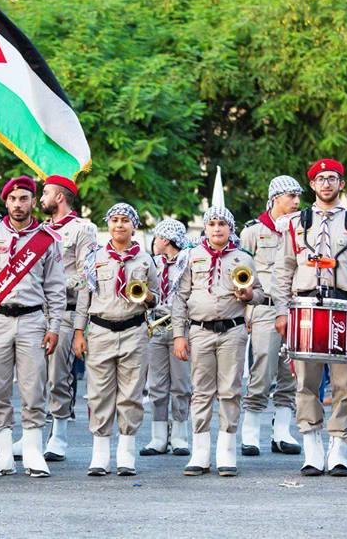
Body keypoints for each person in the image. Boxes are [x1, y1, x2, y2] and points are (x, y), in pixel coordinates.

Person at [273, 159, 347, 477]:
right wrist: (281, 312)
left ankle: (338, 448)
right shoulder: (295, 223)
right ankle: (312, 448)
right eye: (320, 179)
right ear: (312, 186)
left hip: (344, 307)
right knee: (305, 381)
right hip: (305, 308)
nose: (326, 184)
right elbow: (283, 271)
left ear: (342, 184)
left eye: (332, 178)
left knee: (344, 384)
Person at [0, 176, 66, 478]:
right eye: (12, 199)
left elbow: (55, 288)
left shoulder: (46, 239)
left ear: (33, 201)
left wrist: (55, 327)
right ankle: (2, 454)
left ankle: (34, 451)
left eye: (24, 198)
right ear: (5, 202)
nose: (18, 204)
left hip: (32, 320)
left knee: (33, 387)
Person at [173, 207, 264, 477]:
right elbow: (179, 297)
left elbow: (259, 293)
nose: (216, 229)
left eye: (222, 223)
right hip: (200, 330)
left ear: (230, 228)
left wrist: (248, 295)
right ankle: (200, 452)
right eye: (212, 223)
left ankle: (226, 449)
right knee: (201, 391)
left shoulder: (243, 258)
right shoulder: (190, 257)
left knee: (230, 390)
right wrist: (179, 334)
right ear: (205, 227)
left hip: (233, 330)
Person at [75, 203, 158, 476]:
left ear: (134, 226)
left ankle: (126, 453)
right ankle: (100, 454)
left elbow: (157, 297)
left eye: (125, 220)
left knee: (131, 393)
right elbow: (83, 299)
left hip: (134, 331)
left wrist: (147, 297)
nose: (119, 225)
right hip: (100, 331)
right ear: (107, 225)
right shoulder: (94, 258)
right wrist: (79, 332)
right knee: (99, 393)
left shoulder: (145, 260)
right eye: (114, 220)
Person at [239, 176, 303, 457]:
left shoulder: (300, 229)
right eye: (291, 196)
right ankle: (251, 430)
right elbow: (241, 272)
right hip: (264, 305)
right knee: (262, 367)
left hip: (295, 306)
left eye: (298, 196)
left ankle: (282, 430)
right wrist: (247, 311)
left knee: (291, 369)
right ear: (276, 197)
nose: (297, 202)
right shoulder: (253, 231)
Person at [39, 175, 96, 461]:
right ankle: (33, 432)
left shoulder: (82, 229)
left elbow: (86, 278)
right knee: (32, 377)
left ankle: (58, 434)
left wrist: (79, 328)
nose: (40, 199)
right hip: (36, 310)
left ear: (60, 197)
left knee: (57, 377)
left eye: (45, 193)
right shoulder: (39, 230)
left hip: (64, 310)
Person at [141, 219, 192, 457]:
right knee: (156, 384)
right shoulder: (153, 263)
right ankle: (158, 436)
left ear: (166, 240)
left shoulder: (187, 261)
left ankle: (180, 435)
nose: (155, 242)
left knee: (181, 384)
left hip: (180, 327)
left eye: (158, 237)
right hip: (155, 326)